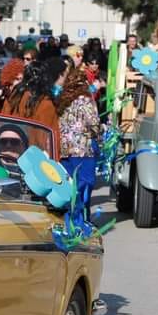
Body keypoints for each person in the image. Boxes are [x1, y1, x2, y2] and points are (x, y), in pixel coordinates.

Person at [57, 68, 101, 217]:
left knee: (69, 183)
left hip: (64, 149)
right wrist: (98, 135)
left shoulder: (62, 99)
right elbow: (94, 122)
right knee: (85, 183)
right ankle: (82, 217)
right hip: (82, 148)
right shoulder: (85, 100)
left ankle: (69, 216)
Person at [2, 57, 66, 156]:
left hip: (9, 151)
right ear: (46, 79)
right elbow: (46, 139)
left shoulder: (13, 96)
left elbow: (3, 124)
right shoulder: (45, 103)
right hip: (32, 158)